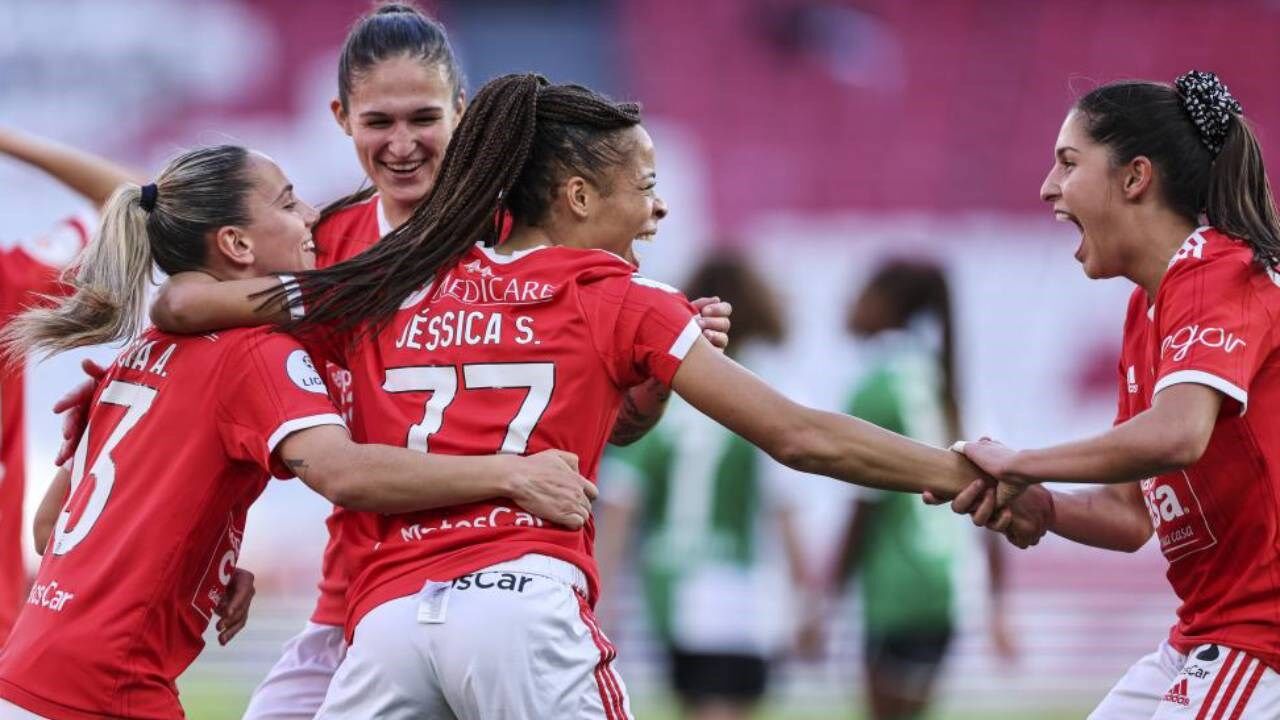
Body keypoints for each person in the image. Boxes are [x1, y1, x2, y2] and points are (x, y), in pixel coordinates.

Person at [227, 72, 994, 720]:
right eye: (646, 186)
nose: (658, 209)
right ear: (580, 195)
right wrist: (964, 474)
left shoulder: (397, 284)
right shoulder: (620, 297)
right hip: (521, 603)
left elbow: (204, 316)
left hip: (389, 622)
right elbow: (798, 435)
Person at [0, 144, 595, 720]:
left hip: (28, 668)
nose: (311, 215)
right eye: (288, 204)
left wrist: (204, 563)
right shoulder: (254, 352)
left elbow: (51, 526)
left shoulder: (138, 353)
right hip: (106, 690)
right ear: (236, 243)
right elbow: (343, 473)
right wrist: (513, 473)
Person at [946, 70, 1280, 718]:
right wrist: (1040, 503)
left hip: (1264, 641)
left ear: (1135, 178)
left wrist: (1021, 461)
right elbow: (1132, 519)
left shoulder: (1219, 270)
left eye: (1068, 163)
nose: (1048, 188)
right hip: (1207, 637)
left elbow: (1178, 435)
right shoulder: (1147, 310)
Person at [595, 254, 812, 720]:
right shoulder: (769, 393)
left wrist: (602, 596)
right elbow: (785, 506)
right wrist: (809, 598)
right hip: (742, 589)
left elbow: (620, 504)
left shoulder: (660, 391)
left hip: (670, 583)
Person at [832, 259, 1013, 720]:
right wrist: (997, 602)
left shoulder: (876, 385)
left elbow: (863, 506)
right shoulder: (948, 382)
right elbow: (997, 492)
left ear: (887, 305)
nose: (850, 306)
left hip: (898, 582)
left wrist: (825, 598)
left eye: (861, 293)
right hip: (947, 583)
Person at [0, 127, 142, 645]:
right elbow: (136, 199)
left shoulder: (8, 278)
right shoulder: (9, 278)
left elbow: (140, 201)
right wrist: (12, 142)